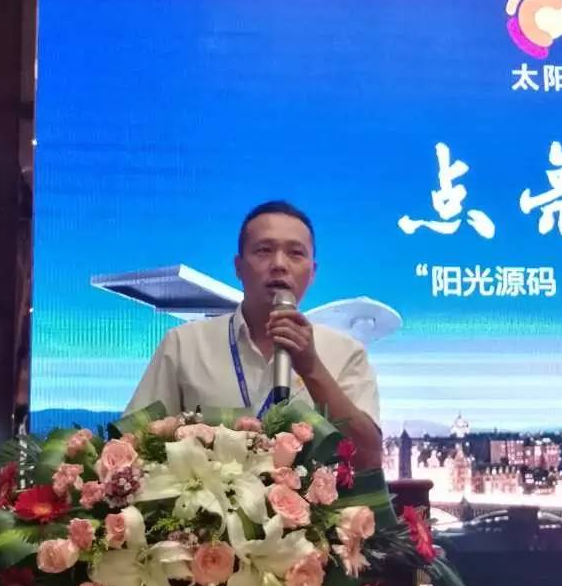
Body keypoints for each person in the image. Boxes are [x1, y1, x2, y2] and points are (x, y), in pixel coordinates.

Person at [127, 200, 383, 469]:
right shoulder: (184, 344)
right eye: (264, 251)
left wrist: (312, 369)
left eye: (295, 253)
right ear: (238, 266)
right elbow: (131, 443)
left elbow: (368, 458)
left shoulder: (346, 353)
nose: (279, 264)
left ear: (312, 273)